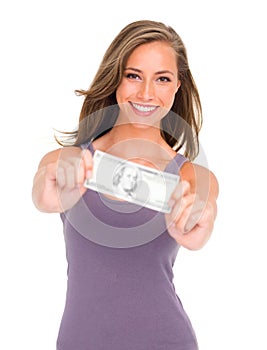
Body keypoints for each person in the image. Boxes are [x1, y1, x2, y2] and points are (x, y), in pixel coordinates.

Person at [32, 20, 219, 350]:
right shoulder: (70, 160)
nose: (147, 93)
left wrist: (195, 220)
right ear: (115, 77)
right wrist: (48, 191)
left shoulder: (191, 174)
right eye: (134, 75)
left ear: (177, 86)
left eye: (162, 79)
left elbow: (202, 205)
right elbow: (43, 192)